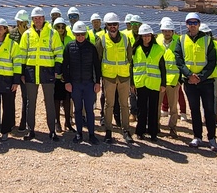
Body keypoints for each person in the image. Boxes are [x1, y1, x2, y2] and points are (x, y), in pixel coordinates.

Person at [175, 12, 217, 151]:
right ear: (186, 25)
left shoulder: (207, 40)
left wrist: (201, 76)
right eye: (190, 23)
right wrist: (189, 75)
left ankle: (212, 138)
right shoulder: (181, 40)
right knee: (194, 110)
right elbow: (179, 59)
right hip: (189, 82)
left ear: (199, 24)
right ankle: (197, 137)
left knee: (209, 110)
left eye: (195, 23)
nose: (192, 25)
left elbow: (212, 61)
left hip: (206, 82)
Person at [19, 7, 63, 142]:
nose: (38, 20)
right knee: (30, 102)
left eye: (40, 18)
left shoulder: (52, 33)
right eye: (35, 18)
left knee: (49, 102)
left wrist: (57, 69)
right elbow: (22, 55)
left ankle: (52, 131)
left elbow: (59, 52)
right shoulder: (26, 34)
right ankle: (30, 130)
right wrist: (22, 72)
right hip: (31, 72)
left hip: (47, 72)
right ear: (32, 20)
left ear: (44, 19)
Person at [96, 12, 134, 144]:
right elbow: (98, 59)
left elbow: (130, 58)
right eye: (110, 25)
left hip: (123, 76)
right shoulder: (102, 39)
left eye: (115, 24)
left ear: (118, 25)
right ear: (106, 26)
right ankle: (108, 131)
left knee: (124, 105)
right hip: (109, 77)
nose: (113, 27)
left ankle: (126, 130)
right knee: (109, 105)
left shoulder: (125, 39)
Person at [63, 21, 102, 144]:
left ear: (85, 34)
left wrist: (97, 82)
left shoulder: (91, 48)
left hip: (89, 84)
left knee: (89, 110)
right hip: (75, 85)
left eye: (82, 34)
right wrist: (67, 82)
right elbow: (65, 66)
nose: (80, 37)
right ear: (74, 34)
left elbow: (97, 66)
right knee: (78, 109)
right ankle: (79, 134)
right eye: (77, 34)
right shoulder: (69, 47)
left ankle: (91, 134)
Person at [131, 24, 166, 142]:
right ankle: (140, 131)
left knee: (153, 109)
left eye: (148, 35)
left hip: (154, 83)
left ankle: (153, 132)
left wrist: (163, 84)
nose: (146, 38)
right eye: (144, 36)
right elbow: (132, 67)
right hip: (140, 83)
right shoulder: (135, 50)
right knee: (141, 109)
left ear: (151, 36)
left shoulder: (158, 49)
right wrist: (132, 83)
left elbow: (162, 67)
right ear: (140, 37)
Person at [156, 19, 181, 138]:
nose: (167, 33)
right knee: (157, 104)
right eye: (165, 31)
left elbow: (183, 61)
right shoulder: (157, 40)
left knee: (173, 107)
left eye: (169, 31)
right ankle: (156, 126)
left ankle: (172, 128)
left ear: (173, 31)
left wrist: (180, 79)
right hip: (159, 79)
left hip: (173, 80)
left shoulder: (179, 41)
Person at [9, 9, 29, 131]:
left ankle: (24, 121)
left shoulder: (31, 34)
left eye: (23, 22)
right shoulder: (11, 34)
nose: (20, 24)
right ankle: (11, 122)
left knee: (26, 98)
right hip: (13, 71)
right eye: (19, 22)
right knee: (10, 97)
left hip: (27, 72)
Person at [53, 17, 74, 133]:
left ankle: (68, 122)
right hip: (56, 73)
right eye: (58, 27)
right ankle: (57, 122)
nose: (60, 29)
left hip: (67, 73)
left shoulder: (69, 38)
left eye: (62, 26)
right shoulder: (51, 38)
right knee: (56, 99)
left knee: (67, 99)